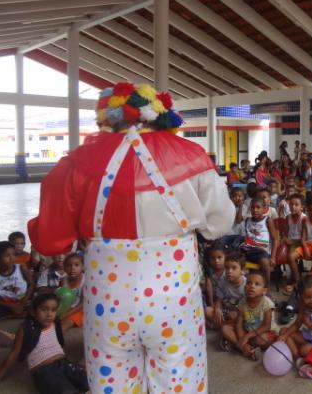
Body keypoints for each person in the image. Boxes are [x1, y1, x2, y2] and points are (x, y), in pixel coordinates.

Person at [28, 83, 234, 393]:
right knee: (180, 382)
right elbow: (219, 223)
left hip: (108, 301)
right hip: (173, 299)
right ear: (159, 115)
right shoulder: (191, 156)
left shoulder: (77, 163)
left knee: (113, 383)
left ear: (107, 117)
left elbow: (49, 240)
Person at [0, 292, 89, 393]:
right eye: (44, 309)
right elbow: (14, 353)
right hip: (45, 371)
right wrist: (0, 374)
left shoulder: (55, 323)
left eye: (53, 310)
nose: (49, 314)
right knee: (66, 391)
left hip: (63, 363)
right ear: (33, 311)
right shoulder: (26, 328)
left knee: (89, 381)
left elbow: (59, 341)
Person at [221, 270, 275, 360]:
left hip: (263, 332)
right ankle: (247, 348)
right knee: (225, 328)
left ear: (264, 291)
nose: (252, 286)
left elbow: (266, 326)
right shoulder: (242, 302)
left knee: (262, 340)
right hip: (246, 330)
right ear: (245, 287)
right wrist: (243, 339)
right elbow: (239, 323)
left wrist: (246, 337)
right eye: (249, 283)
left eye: (257, 284)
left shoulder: (267, 304)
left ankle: (236, 345)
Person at [243, 197, 279, 288]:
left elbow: (275, 239)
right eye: (253, 207)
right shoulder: (247, 220)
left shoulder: (267, 221)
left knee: (265, 263)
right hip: (248, 250)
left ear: (264, 209)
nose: (255, 210)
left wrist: (273, 257)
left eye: (258, 207)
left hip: (262, 252)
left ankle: (266, 288)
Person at [207, 251, 245, 334]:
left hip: (240, 314)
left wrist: (237, 314)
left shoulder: (247, 286)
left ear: (242, 270)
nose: (229, 271)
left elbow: (251, 307)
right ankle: (227, 327)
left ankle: (223, 327)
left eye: (234, 268)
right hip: (227, 311)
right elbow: (219, 299)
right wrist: (217, 308)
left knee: (244, 321)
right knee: (207, 311)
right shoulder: (223, 280)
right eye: (227, 268)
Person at [0, 241, 33, 320]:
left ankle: (13, 315)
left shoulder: (21, 268)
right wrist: (11, 306)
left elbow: (31, 284)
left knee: (37, 304)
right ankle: (14, 314)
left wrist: (24, 301)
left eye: (14, 254)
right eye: (7, 256)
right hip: (6, 304)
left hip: (23, 301)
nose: (12, 258)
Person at [59, 253, 84, 331]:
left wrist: (65, 315)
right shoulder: (63, 280)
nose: (72, 268)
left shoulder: (86, 281)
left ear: (82, 267)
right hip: (65, 308)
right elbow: (59, 298)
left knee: (61, 327)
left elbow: (82, 304)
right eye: (69, 265)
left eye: (76, 265)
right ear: (64, 268)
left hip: (80, 310)